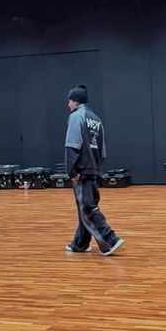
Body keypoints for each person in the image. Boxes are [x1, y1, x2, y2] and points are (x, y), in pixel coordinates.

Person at [64, 84, 123, 256]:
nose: (68, 104)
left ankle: (110, 239)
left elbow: (72, 145)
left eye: (69, 101)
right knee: (84, 206)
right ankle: (80, 244)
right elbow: (102, 150)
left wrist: (72, 171)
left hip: (81, 171)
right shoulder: (96, 119)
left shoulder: (76, 116)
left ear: (76, 101)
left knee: (88, 208)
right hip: (94, 169)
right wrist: (97, 169)